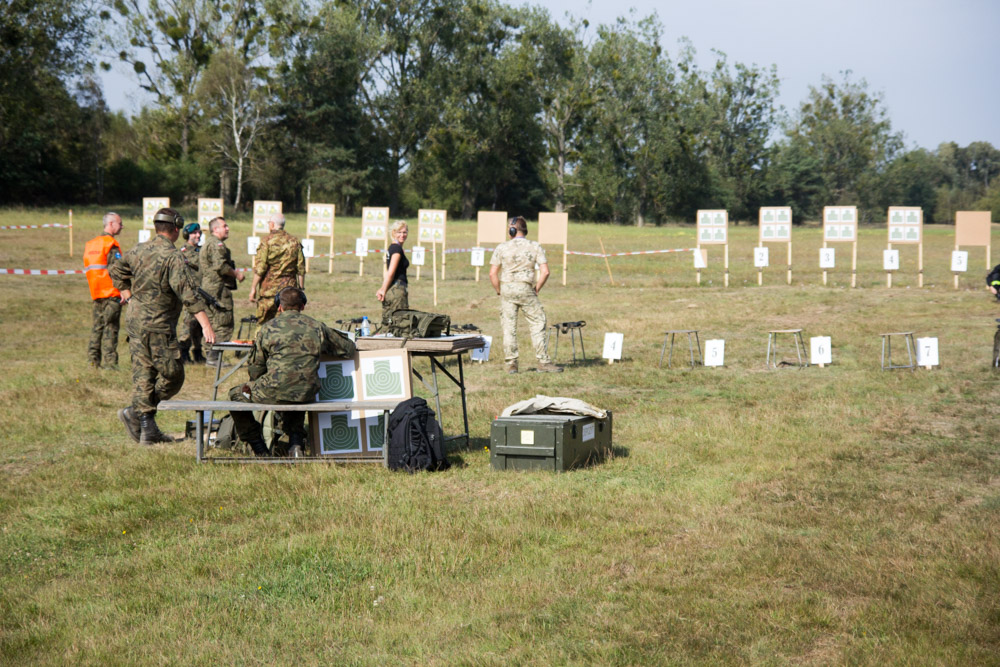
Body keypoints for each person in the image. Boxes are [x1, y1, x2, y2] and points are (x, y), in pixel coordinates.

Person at [111, 208, 216, 445]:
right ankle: (137, 413)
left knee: (144, 374)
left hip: (136, 322)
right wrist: (206, 326)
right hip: (158, 325)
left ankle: (146, 428)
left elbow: (116, 271)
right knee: (173, 375)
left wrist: (127, 295)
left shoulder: (138, 249)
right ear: (177, 228)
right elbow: (188, 294)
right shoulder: (173, 256)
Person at [228, 287, 355, 457]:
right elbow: (348, 349)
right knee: (297, 388)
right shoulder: (317, 326)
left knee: (236, 394)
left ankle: (258, 447)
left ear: (279, 306)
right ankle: (295, 444)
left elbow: (256, 368)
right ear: (302, 306)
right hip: (308, 392)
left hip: (275, 389)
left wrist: (258, 382)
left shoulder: (267, 328)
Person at [489, 216, 562, 374]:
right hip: (526, 288)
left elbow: (492, 274)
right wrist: (537, 288)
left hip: (507, 289)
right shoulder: (535, 246)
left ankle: (511, 364)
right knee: (537, 322)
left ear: (512, 230)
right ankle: (543, 361)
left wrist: (499, 290)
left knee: (509, 328)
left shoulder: (501, 247)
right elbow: (545, 272)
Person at [84, 212, 128, 369]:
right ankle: (110, 364)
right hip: (111, 293)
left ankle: (92, 362)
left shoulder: (91, 245)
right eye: (120, 224)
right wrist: (123, 291)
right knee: (111, 328)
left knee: (97, 328)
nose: (122, 227)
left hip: (96, 292)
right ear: (111, 224)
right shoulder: (111, 244)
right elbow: (116, 270)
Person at [201, 217, 245, 366]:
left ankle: (210, 355)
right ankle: (214, 357)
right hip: (218, 289)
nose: (228, 229)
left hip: (208, 288)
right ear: (215, 229)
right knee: (224, 322)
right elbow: (221, 266)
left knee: (212, 322)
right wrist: (237, 274)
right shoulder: (217, 244)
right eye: (224, 226)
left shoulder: (209, 243)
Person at [248, 212, 305, 325]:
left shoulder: (266, 241)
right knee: (287, 326)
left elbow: (260, 268)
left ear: (272, 224)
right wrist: (301, 289)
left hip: (268, 292)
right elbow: (301, 268)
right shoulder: (294, 242)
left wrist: (253, 288)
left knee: (264, 325)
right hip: (288, 293)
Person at [177, 222, 205, 364]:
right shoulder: (184, 251)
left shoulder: (201, 250)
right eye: (194, 233)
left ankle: (197, 351)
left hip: (202, 292)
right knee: (188, 323)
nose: (198, 235)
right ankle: (183, 351)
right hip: (190, 293)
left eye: (199, 233)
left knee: (199, 326)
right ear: (187, 235)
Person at [375, 220, 410, 327]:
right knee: (400, 324)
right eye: (399, 232)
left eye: (404, 232)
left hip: (392, 289)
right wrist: (383, 289)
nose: (402, 235)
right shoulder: (396, 249)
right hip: (397, 290)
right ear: (393, 233)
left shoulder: (393, 247)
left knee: (389, 324)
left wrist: (383, 288)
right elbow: (391, 272)